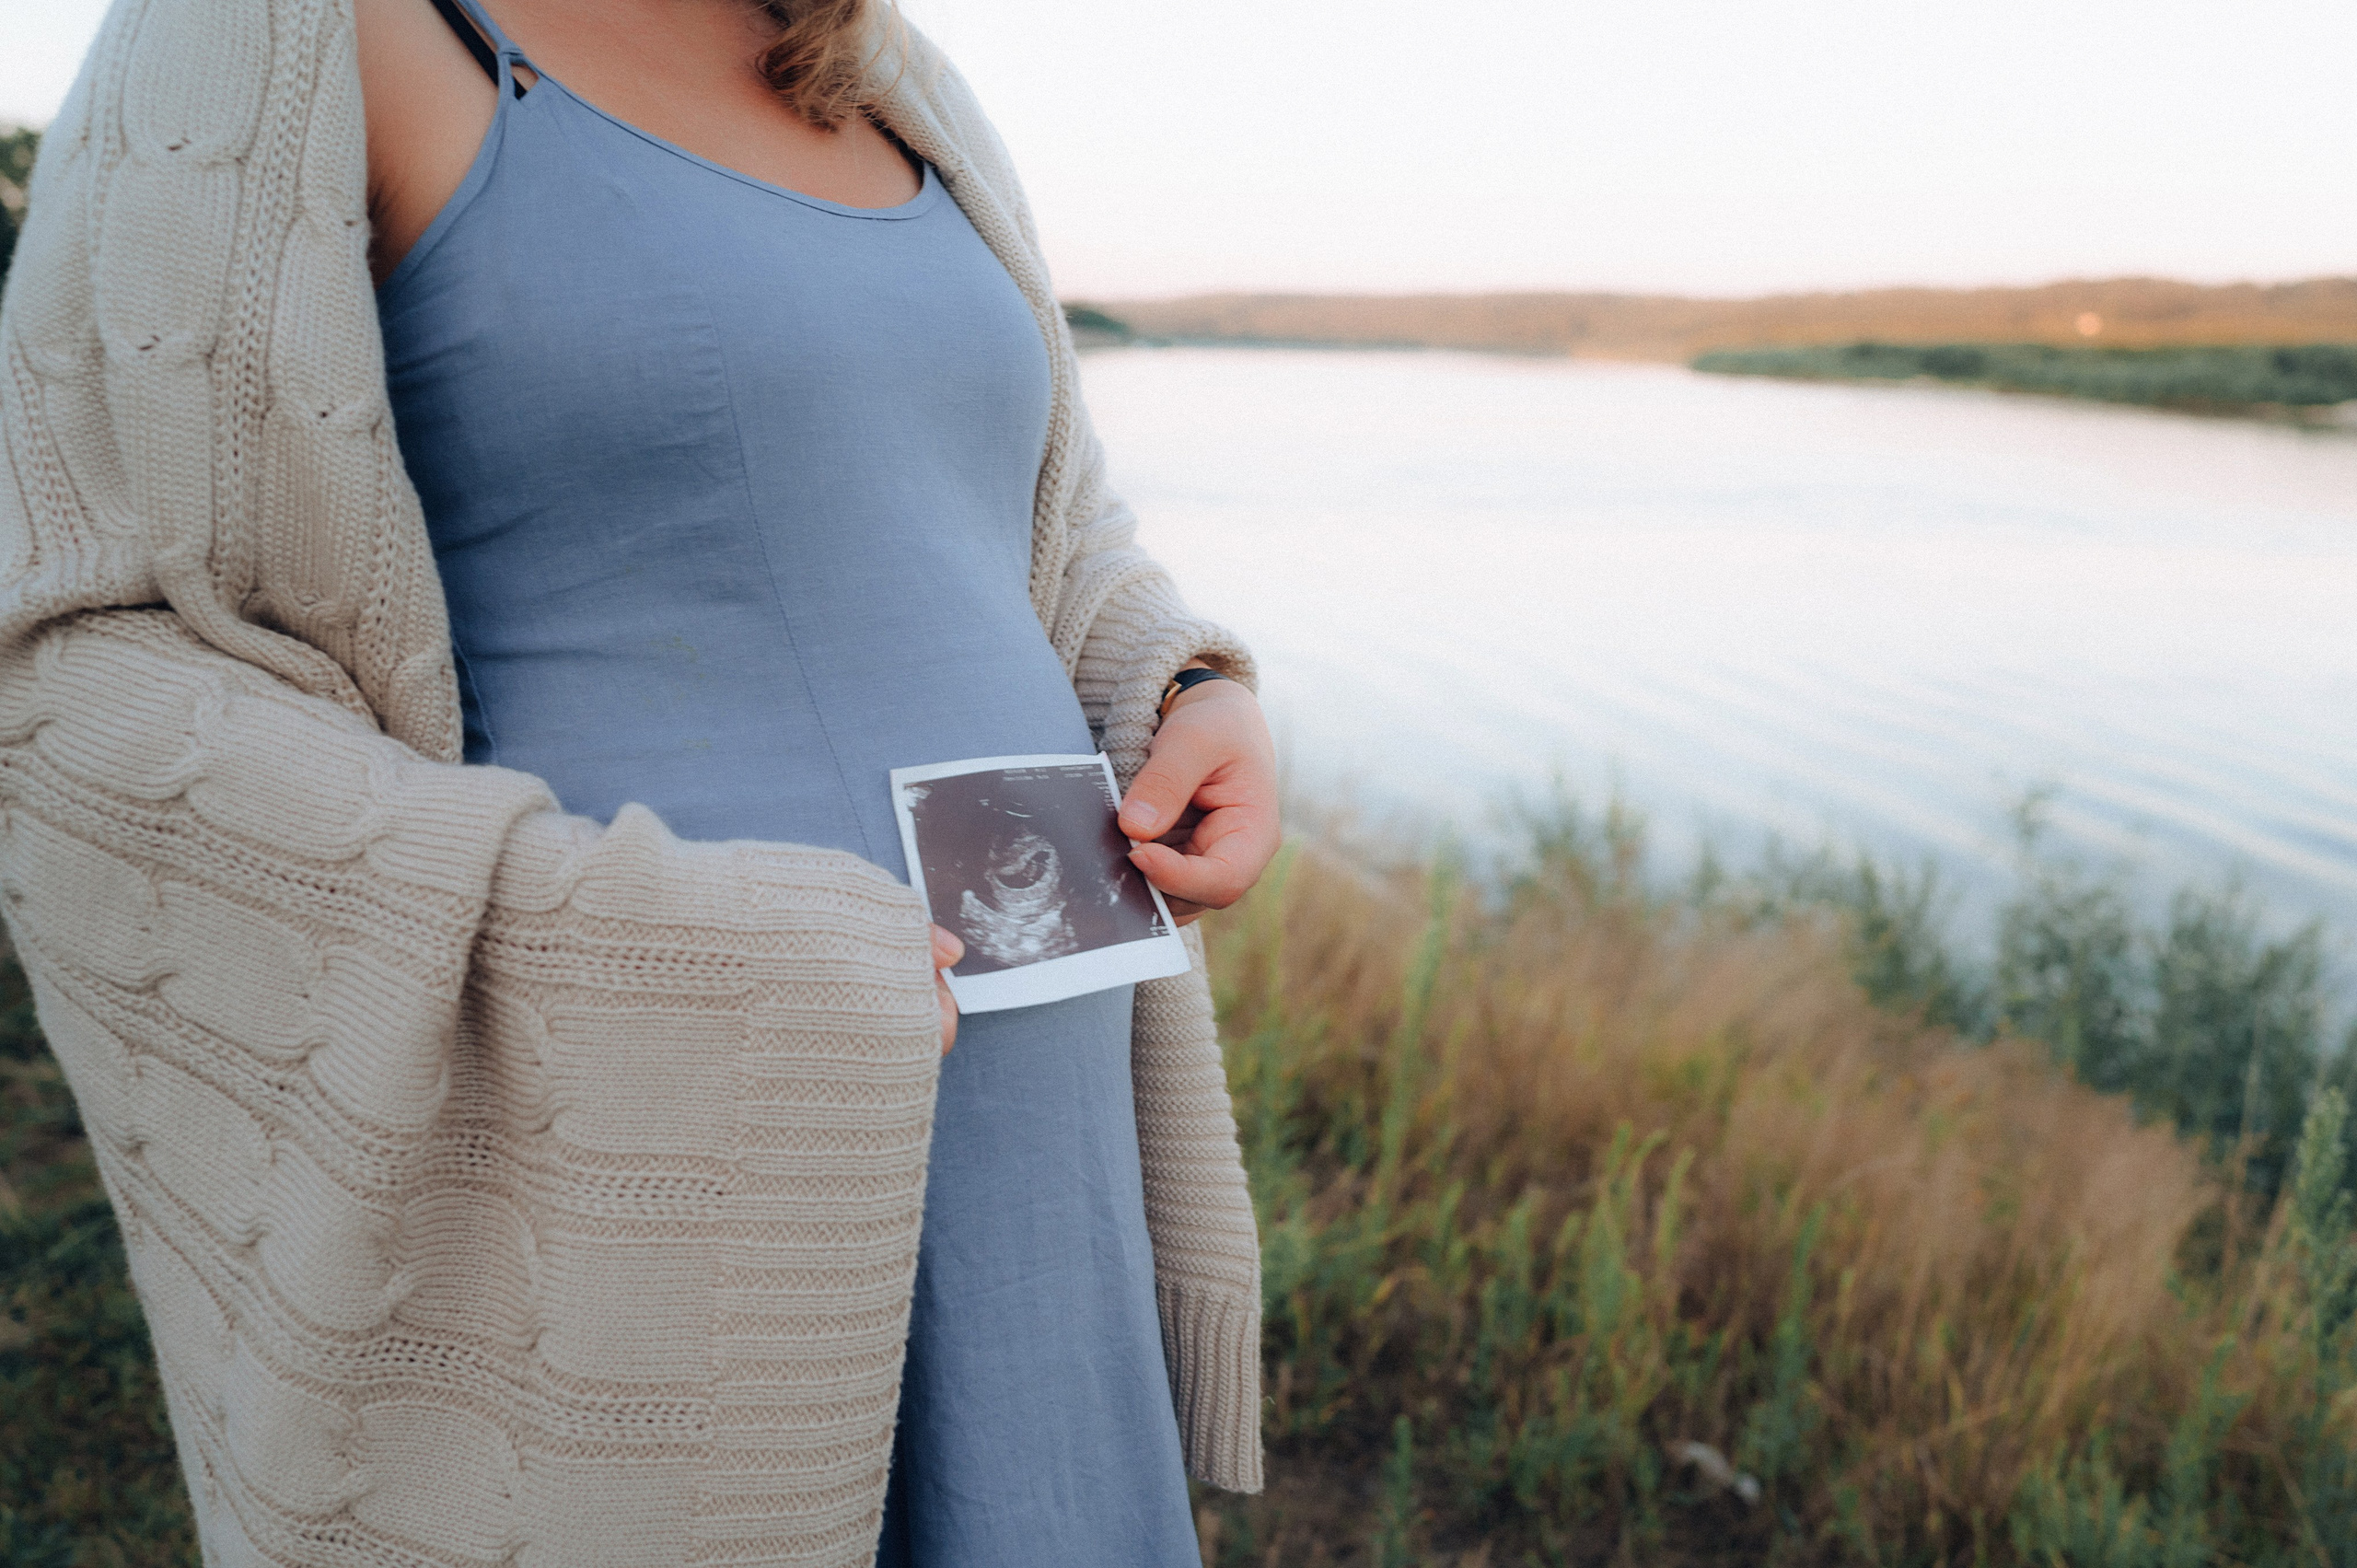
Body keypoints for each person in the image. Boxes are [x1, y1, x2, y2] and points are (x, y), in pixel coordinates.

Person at [0, 0, 1272, 1562]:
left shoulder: (888, 70)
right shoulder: (290, 28)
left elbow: (1033, 521)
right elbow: (88, 664)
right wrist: (661, 956)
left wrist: (1181, 682)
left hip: (1036, 1133)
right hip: (666, 1151)